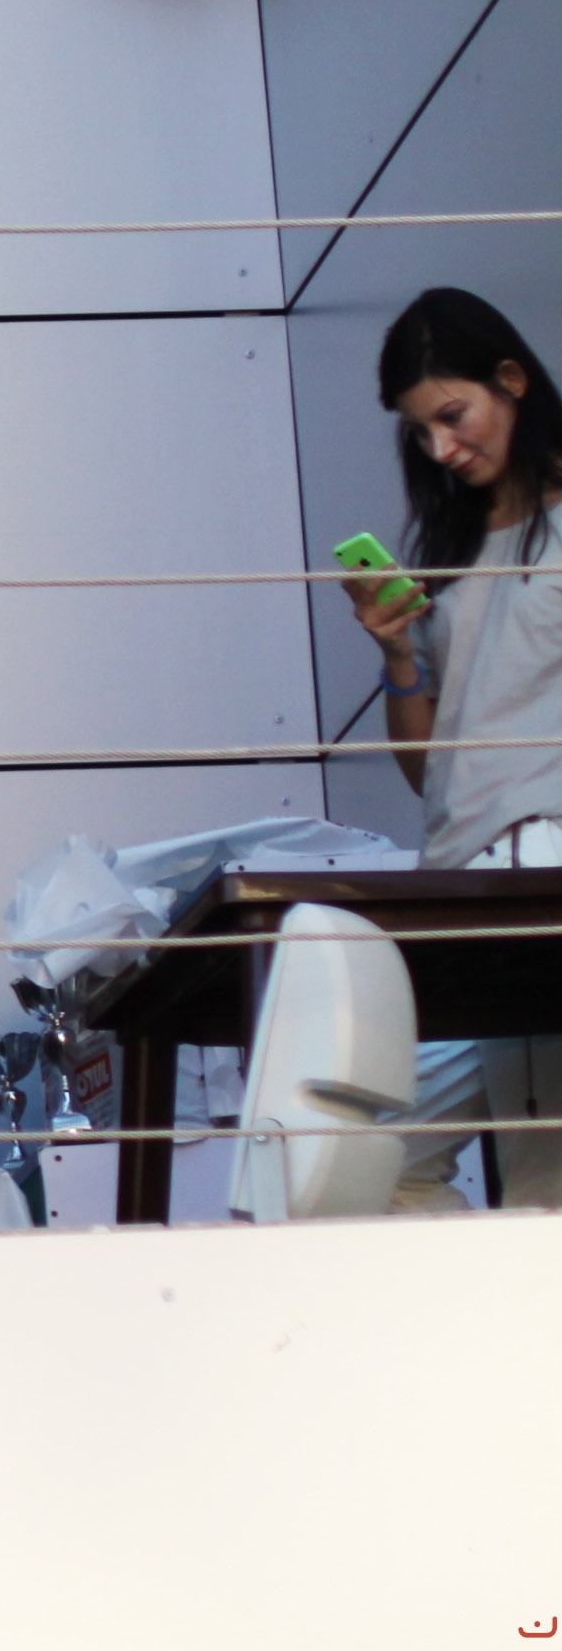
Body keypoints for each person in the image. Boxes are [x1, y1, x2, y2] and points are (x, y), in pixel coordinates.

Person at [334, 285, 562, 1203]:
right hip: (460, 877)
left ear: (513, 379)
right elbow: (427, 770)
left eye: (453, 415)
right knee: (367, 1164)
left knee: (538, 1174)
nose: (441, 448)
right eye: (420, 431)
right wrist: (398, 652)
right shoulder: (452, 549)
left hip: (540, 859)